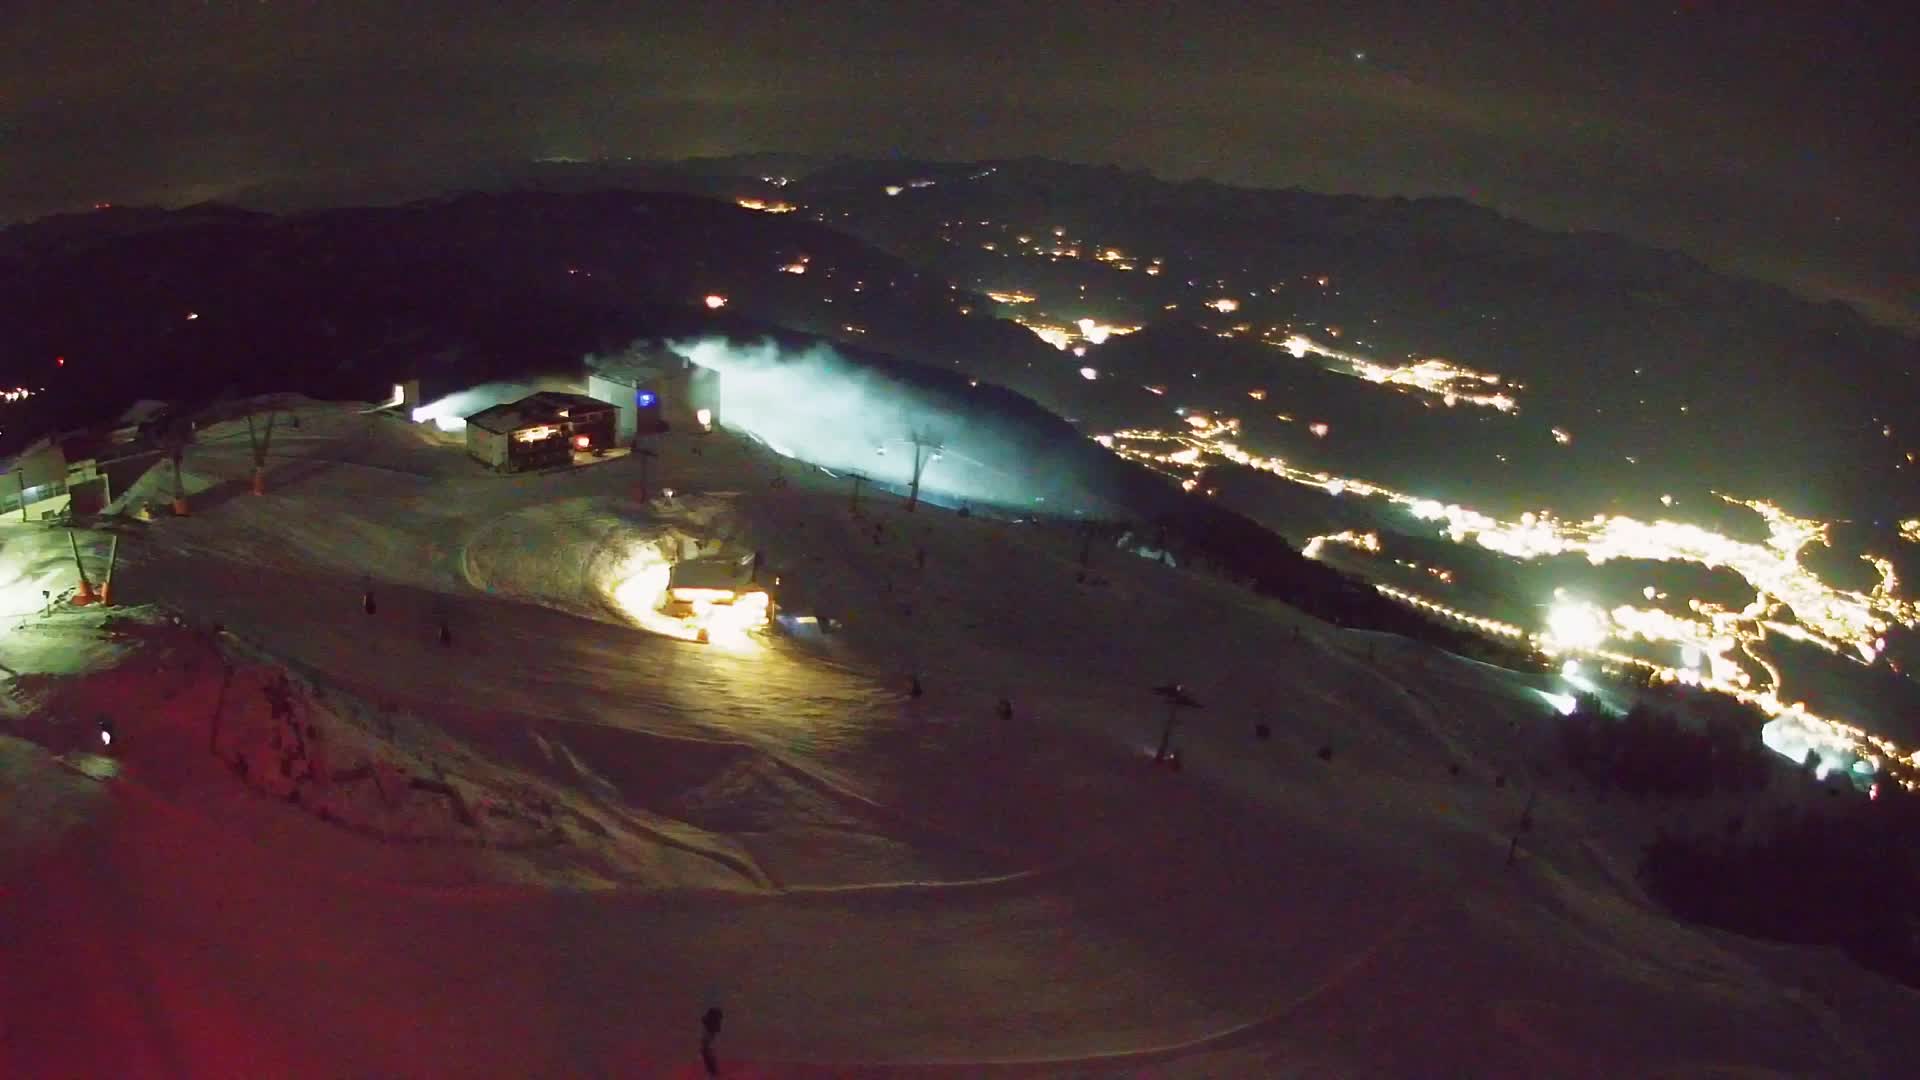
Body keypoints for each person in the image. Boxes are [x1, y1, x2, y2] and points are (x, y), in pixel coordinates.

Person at [700, 1006, 724, 1076]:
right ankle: (713, 1073)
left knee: (709, 1056)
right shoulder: (711, 1028)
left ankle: (713, 1073)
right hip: (707, 1047)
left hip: (707, 1047)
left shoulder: (710, 1029)